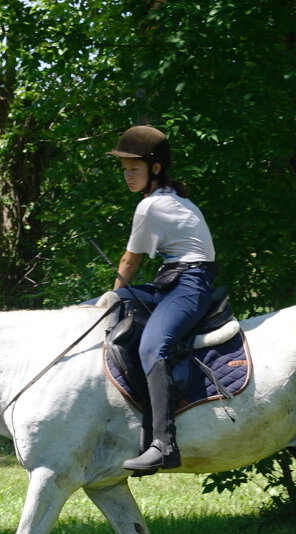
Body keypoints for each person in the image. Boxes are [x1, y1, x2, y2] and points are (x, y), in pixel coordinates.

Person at [106, 125, 217, 474]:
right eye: (124, 169)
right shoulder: (167, 197)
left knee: (152, 346)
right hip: (175, 279)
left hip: (191, 283)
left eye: (134, 168)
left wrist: (114, 293)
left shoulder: (151, 206)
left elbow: (129, 262)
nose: (127, 175)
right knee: (105, 305)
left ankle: (164, 445)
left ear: (155, 169)